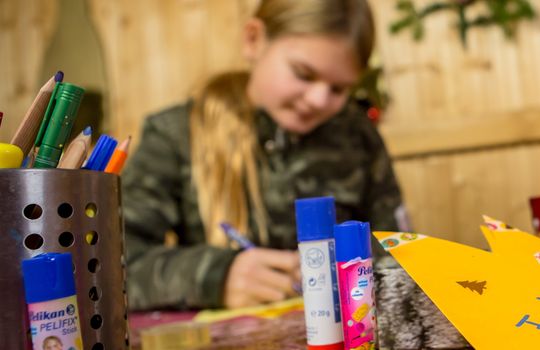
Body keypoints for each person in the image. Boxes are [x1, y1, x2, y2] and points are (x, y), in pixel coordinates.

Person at [122, 0, 403, 310]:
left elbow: (395, 249)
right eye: (304, 74)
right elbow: (114, 266)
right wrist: (216, 277)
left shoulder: (358, 135)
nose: (319, 99)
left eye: (339, 89)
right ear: (253, 39)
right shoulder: (175, 135)